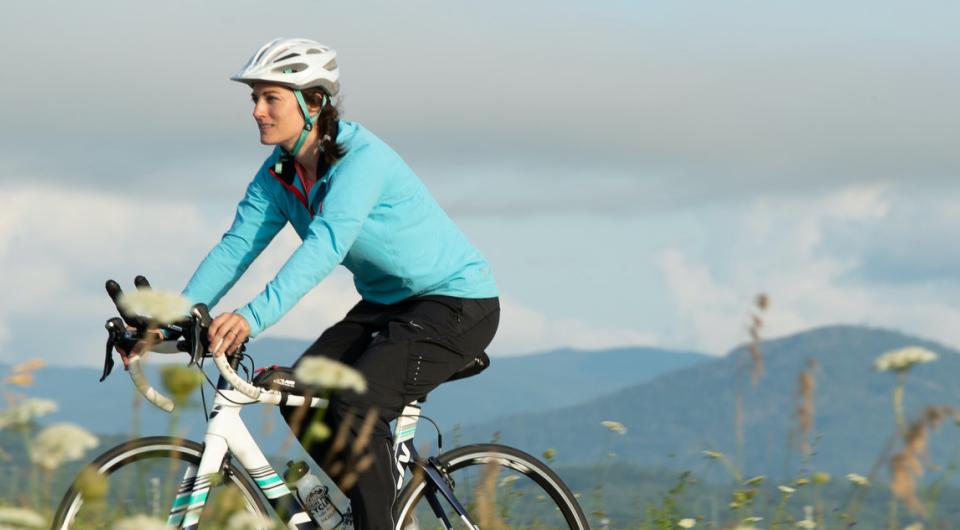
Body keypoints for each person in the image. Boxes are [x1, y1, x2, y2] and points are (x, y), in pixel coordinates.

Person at [180, 37, 500, 530]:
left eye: (271, 98)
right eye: (254, 99)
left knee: (353, 405)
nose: (257, 111)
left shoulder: (360, 159)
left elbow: (324, 247)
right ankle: (372, 511)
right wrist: (172, 318)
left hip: (455, 301)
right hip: (388, 304)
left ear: (315, 103)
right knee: (299, 394)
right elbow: (235, 247)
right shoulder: (278, 175)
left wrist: (250, 317)